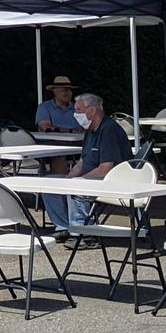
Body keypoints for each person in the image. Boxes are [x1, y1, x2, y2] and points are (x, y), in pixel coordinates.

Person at [40, 92, 133, 238]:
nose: (75, 115)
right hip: (94, 178)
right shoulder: (90, 131)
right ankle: (63, 227)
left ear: (91, 111)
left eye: (78, 110)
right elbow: (82, 162)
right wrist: (67, 178)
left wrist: (80, 180)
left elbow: (106, 168)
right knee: (49, 186)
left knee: (77, 187)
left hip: (112, 180)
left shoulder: (108, 130)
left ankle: (83, 233)